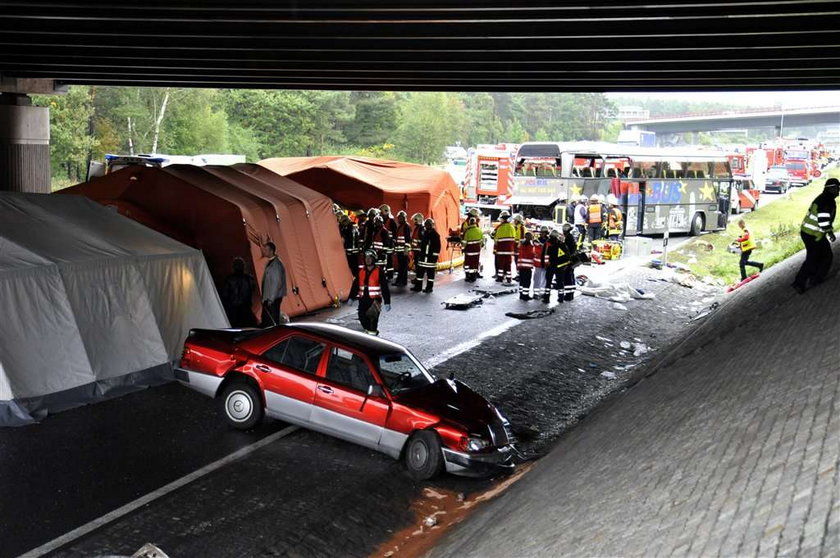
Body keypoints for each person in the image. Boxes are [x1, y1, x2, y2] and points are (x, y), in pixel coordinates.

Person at [792, 178, 839, 293]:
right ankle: (800, 282)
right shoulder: (827, 201)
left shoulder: (823, 198)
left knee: (822, 256)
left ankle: (813, 279)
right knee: (817, 258)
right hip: (812, 234)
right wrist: (830, 233)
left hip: (810, 233)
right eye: (837, 188)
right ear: (831, 189)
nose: (838, 191)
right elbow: (823, 220)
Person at [348, 249, 391, 335]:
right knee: (362, 318)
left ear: (374, 259)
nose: (367, 259)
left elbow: (385, 288)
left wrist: (387, 302)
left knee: (372, 322)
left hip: (374, 301)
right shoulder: (361, 271)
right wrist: (351, 297)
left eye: (370, 258)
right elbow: (355, 285)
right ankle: (369, 334)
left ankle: (372, 339)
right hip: (363, 300)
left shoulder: (379, 271)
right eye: (366, 257)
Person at [220, 257, 258, 328]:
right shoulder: (249, 278)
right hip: (246, 309)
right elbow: (253, 290)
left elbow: (225, 295)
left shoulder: (229, 279)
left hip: (234, 311)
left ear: (233, 267)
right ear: (243, 266)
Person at [260, 241, 287, 327]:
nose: (264, 252)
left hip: (273, 297)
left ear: (272, 250)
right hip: (269, 296)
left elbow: (276, 282)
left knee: (272, 318)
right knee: (269, 317)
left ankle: (275, 333)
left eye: (266, 250)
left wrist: (271, 298)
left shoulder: (276, 264)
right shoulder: (270, 263)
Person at [542, 229, 572, 304]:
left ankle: (546, 298)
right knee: (560, 283)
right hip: (559, 267)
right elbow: (567, 256)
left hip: (550, 267)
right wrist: (564, 266)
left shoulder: (548, 244)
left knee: (548, 283)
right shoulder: (562, 244)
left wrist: (545, 265)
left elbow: (544, 255)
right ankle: (560, 298)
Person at [412, 218, 441, 293]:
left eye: (428, 225)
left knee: (430, 275)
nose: (427, 226)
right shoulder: (425, 233)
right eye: (426, 224)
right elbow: (422, 244)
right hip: (422, 258)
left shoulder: (435, 235)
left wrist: (434, 257)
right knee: (419, 274)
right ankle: (418, 287)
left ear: (432, 225)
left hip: (430, 259)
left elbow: (438, 247)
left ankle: (429, 288)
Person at [492, 210, 517, 283]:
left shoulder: (500, 227)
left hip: (501, 250)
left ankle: (500, 278)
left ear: (502, 218)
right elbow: (514, 238)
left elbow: (495, 238)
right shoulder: (512, 227)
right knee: (508, 265)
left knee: (501, 265)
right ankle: (509, 278)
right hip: (509, 251)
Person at [392, 210, 412, 286]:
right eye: (399, 218)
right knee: (401, 266)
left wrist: (406, 249)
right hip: (400, 250)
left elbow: (407, 239)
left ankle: (402, 281)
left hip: (403, 250)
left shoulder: (406, 226)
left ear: (404, 218)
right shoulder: (400, 226)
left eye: (401, 218)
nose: (399, 219)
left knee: (403, 266)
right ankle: (399, 281)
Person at [462, 216, 483, 282]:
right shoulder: (479, 230)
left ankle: (468, 276)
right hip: (477, 251)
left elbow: (464, 242)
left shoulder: (467, 231)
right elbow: (482, 242)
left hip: (469, 251)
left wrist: (463, 249)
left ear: (469, 223)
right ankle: (474, 276)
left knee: (468, 263)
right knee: (475, 263)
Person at [532, 225, 549, 300]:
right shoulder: (537, 241)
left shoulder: (549, 241)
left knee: (544, 278)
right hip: (538, 263)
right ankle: (536, 293)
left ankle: (542, 293)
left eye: (543, 232)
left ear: (546, 233)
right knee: (537, 278)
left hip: (546, 263)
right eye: (541, 232)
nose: (541, 234)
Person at [562, 223, 578, 301]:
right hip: (572, 260)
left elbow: (566, 250)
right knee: (570, 276)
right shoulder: (570, 237)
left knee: (567, 277)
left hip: (568, 260)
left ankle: (568, 295)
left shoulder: (568, 238)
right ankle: (570, 294)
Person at [517, 231, 535, 300]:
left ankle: (521, 294)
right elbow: (533, 254)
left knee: (521, 281)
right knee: (527, 282)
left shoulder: (521, 245)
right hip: (527, 267)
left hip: (521, 267)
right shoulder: (531, 246)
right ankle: (525, 296)